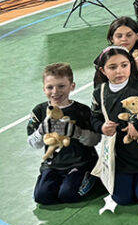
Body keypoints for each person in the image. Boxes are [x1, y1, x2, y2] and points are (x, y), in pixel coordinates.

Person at [90, 46, 138, 205]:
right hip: (120, 156)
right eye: (112, 67)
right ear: (103, 70)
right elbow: (94, 117)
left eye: (124, 65)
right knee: (122, 199)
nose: (119, 71)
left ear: (130, 65)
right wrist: (101, 127)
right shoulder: (99, 92)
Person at [28, 63, 100, 204]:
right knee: (42, 197)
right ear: (44, 89)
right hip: (53, 164)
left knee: (68, 195)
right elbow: (33, 143)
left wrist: (76, 132)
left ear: (71, 86)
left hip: (80, 162)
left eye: (61, 86)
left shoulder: (82, 110)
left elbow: (95, 140)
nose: (55, 92)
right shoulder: (39, 111)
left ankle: (94, 177)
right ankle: (46, 180)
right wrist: (42, 130)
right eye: (50, 87)